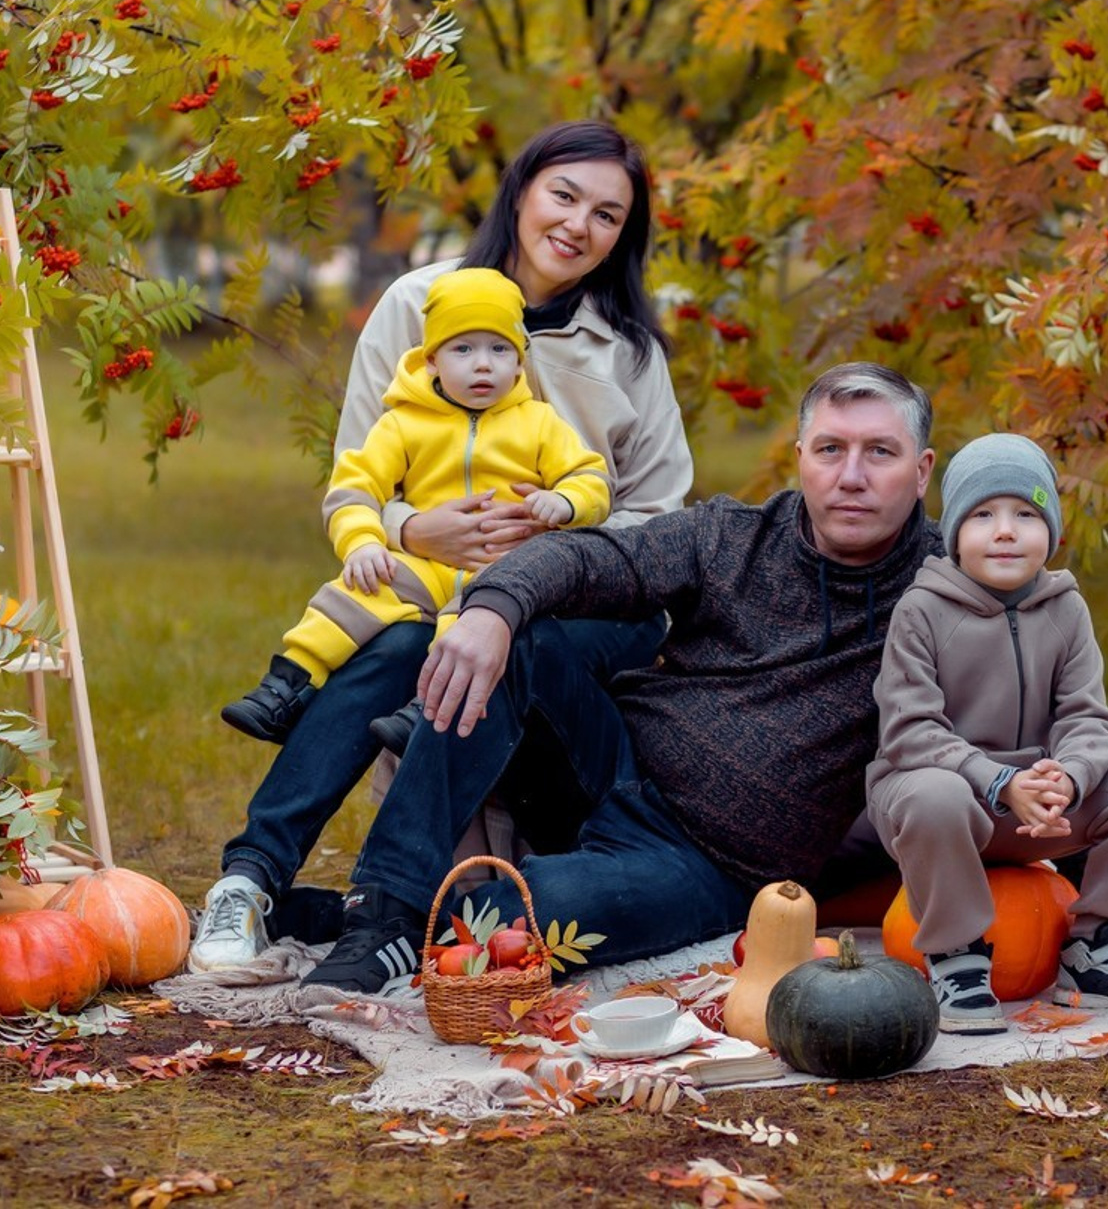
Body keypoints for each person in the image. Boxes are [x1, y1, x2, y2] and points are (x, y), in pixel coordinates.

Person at [189, 120, 693, 974]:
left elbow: (664, 515)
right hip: (435, 577)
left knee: (452, 643)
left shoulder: (629, 352)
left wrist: (561, 537)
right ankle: (251, 879)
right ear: (523, 190)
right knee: (401, 643)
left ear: (623, 237)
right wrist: (414, 529)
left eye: (608, 215)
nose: (579, 225)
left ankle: (372, 906)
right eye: (564, 195)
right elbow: (359, 474)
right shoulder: (416, 304)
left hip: (577, 607)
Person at [299, 362, 944, 994]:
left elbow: (1039, 646)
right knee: (523, 638)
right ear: (802, 457)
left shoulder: (947, 594)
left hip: (707, 865)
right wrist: (490, 612)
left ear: (921, 473)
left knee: (546, 910)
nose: (851, 476)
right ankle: (381, 910)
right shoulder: (732, 537)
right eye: (831, 449)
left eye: (880, 452)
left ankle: (384, 926)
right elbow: (593, 556)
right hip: (611, 769)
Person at [865, 433, 1108, 1035]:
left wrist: (1069, 775)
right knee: (934, 791)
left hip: (1043, 807)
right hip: (946, 806)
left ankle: (1096, 949)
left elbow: (1088, 717)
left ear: (1052, 531)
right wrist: (999, 781)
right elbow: (910, 730)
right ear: (954, 533)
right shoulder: (923, 610)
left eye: (1026, 514)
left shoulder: (1066, 609)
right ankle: (956, 958)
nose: (1005, 530)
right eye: (983, 515)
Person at [220, 268, 611, 744]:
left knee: (469, 626)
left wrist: (565, 501)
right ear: (432, 361)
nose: (482, 365)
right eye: (463, 349)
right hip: (425, 565)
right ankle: (289, 683)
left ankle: (421, 712)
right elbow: (354, 488)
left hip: (506, 574)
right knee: (355, 592)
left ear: (519, 362)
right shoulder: (404, 423)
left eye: (499, 349)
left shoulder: (540, 424)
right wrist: (363, 542)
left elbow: (592, 478)